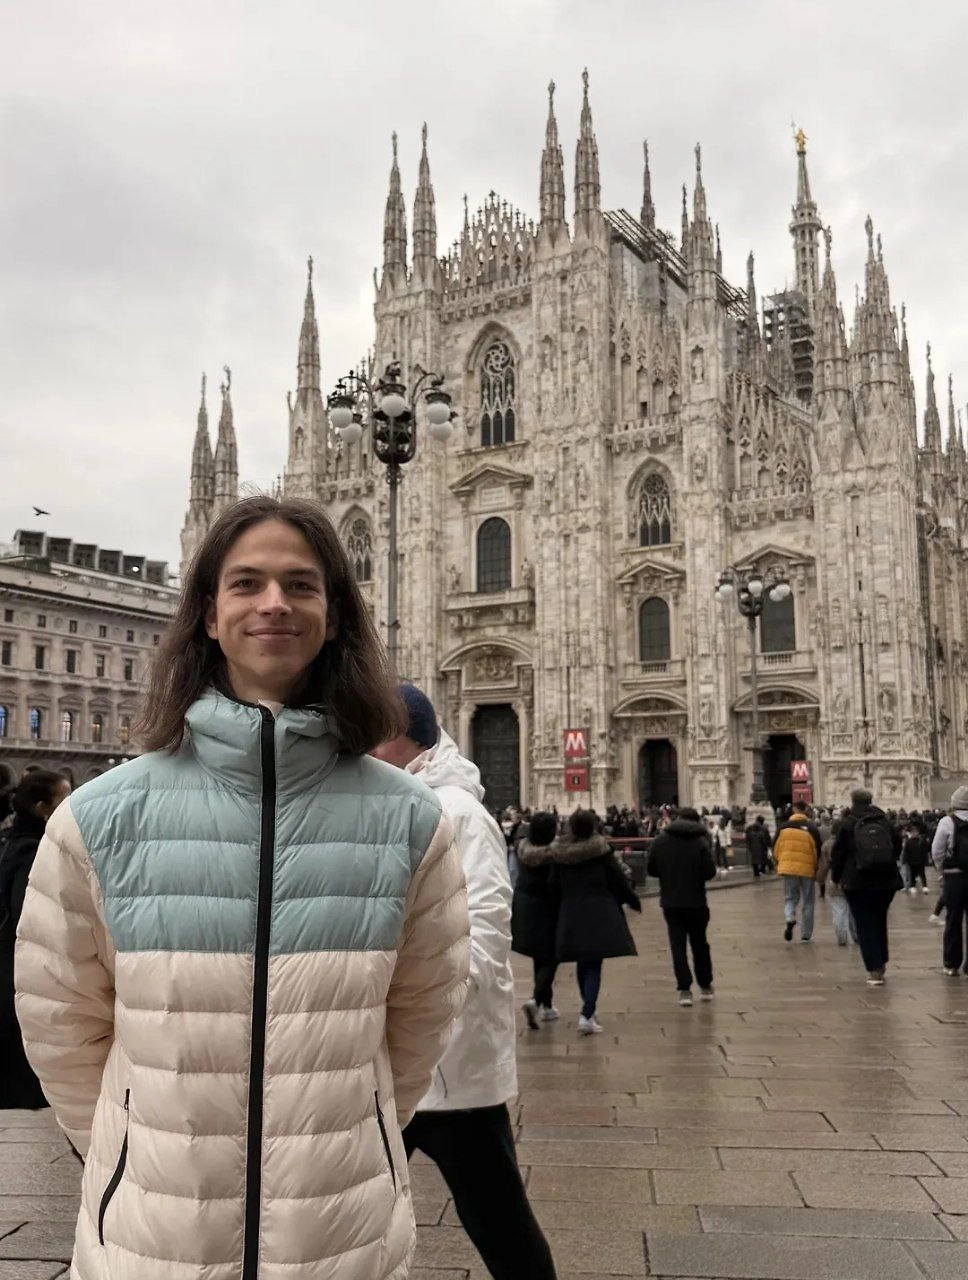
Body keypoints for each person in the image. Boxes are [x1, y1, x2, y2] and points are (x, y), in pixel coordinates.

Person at [15, 497, 470, 1279]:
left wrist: (351, 1126)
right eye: (246, 583)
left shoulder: (409, 820)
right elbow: (61, 1020)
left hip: (340, 1235)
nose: (273, 603)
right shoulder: (100, 818)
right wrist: (132, 1150)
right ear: (206, 615)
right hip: (154, 1241)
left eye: (301, 584)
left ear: (335, 614)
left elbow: (422, 1012)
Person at [372, 683, 557, 1280]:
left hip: (446, 1058)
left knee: (497, 1217)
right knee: (347, 1207)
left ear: (400, 738)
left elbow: (482, 935)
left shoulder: (458, 813)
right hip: (404, 1055)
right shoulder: (406, 801)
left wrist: (425, 1005)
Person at [0, 770, 71, 1109]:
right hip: (18, 965)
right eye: (63, 798)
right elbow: (29, 918)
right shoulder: (32, 851)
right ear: (43, 807)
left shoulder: (13, 842)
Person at [550, 809, 641, 1034]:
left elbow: (553, 885)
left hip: (572, 910)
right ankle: (587, 1013)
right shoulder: (600, 851)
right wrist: (631, 900)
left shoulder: (560, 853)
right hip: (599, 910)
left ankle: (588, 1009)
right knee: (593, 963)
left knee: (583, 961)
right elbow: (617, 880)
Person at [831, 787, 902, 984]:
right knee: (879, 920)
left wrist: (836, 878)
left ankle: (874, 969)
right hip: (886, 880)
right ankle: (882, 961)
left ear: (852, 801)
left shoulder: (846, 824)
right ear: (871, 800)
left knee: (864, 923)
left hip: (857, 881)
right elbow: (897, 847)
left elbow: (838, 855)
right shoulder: (885, 821)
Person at [647, 807, 717, 1006]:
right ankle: (705, 986)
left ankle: (684, 990)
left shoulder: (660, 840)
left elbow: (651, 869)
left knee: (677, 945)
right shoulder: (700, 841)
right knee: (699, 944)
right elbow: (709, 872)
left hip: (671, 901)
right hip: (696, 901)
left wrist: (669, 874)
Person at [512, 810, 561, 1027]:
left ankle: (547, 1006)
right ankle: (536, 1000)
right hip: (548, 907)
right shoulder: (555, 856)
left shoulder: (522, 851)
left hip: (524, 908)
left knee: (539, 956)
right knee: (551, 957)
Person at [931, 784, 968, 976]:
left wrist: (941, 870)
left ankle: (952, 964)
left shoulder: (947, 822)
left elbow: (937, 850)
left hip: (954, 877)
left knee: (953, 920)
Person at [774, 801, 823, 942]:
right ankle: (806, 935)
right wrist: (815, 866)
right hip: (807, 869)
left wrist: (780, 863)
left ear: (794, 810)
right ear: (805, 810)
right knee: (808, 901)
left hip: (788, 868)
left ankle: (790, 918)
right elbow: (817, 850)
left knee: (790, 897)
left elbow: (776, 848)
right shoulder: (811, 827)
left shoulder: (783, 827)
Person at [817, 820, 857, 946]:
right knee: (853, 910)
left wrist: (820, 879)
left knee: (838, 910)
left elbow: (823, 866)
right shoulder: (854, 842)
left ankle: (841, 937)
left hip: (834, 880)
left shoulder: (827, 845)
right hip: (852, 881)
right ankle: (856, 935)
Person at [901, 819, 930, 895]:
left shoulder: (921, 841)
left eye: (915, 832)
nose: (914, 834)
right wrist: (905, 860)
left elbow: (926, 850)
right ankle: (913, 886)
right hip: (912, 861)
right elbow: (906, 852)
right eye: (913, 832)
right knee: (913, 874)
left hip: (920, 860)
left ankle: (924, 886)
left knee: (922, 874)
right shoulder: (909, 842)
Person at [745, 814, 772, 878]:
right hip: (761, 847)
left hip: (752, 846)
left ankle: (756, 873)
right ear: (762, 821)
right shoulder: (764, 829)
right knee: (763, 859)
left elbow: (747, 837)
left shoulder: (749, 828)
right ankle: (762, 871)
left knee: (754, 860)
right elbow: (767, 839)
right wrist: (769, 846)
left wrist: (748, 844)